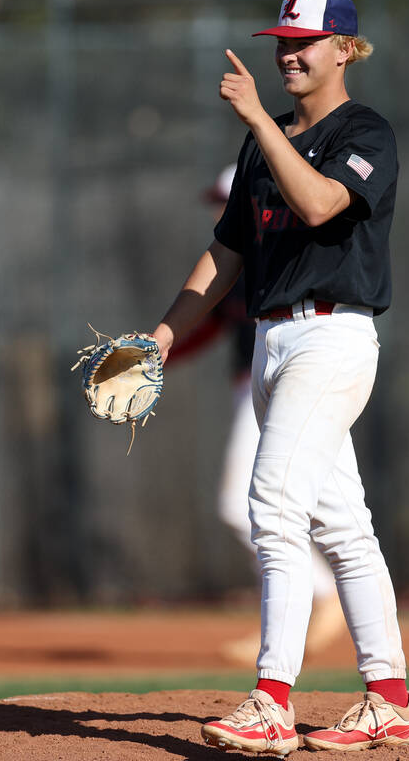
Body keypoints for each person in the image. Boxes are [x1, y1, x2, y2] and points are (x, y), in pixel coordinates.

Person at [150, 0, 409, 755]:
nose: (289, 53)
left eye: (305, 40)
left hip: (331, 340)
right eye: (282, 40)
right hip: (273, 347)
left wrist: (259, 128)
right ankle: (391, 698)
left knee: (272, 506)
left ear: (346, 49)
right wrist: (164, 336)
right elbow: (227, 253)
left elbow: (317, 205)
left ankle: (271, 700)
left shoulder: (365, 131)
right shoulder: (262, 142)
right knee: (342, 528)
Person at [167, 164, 347, 667]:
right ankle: (293, 619)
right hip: (253, 388)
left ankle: (321, 597)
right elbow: (214, 324)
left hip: (279, 386)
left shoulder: (270, 257)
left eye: (223, 201)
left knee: (239, 504)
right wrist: (158, 353)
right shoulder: (239, 259)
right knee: (306, 503)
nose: (215, 210)